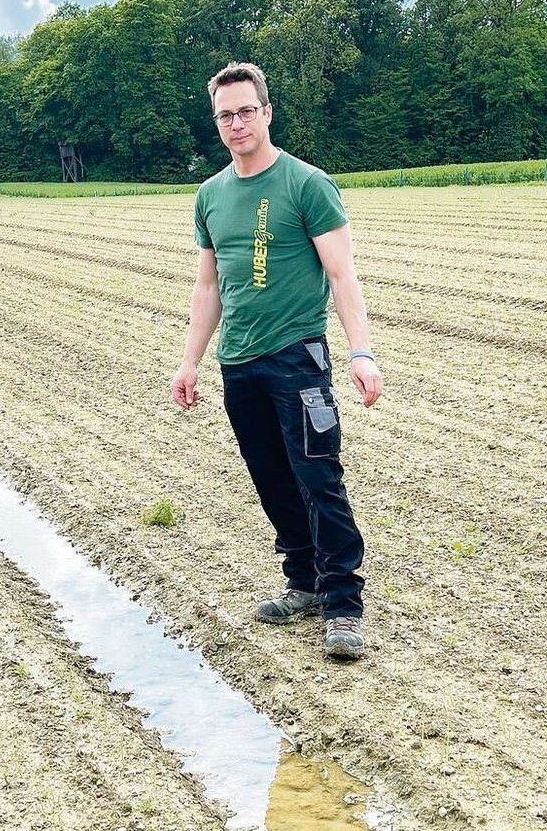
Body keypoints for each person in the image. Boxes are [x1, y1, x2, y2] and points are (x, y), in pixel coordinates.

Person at [170, 62, 383, 660]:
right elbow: (208, 287)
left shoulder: (306, 184)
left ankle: (343, 605)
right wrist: (190, 362)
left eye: (245, 110)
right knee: (271, 479)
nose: (236, 123)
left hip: (298, 360)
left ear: (266, 112)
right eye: (224, 115)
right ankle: (305, 582)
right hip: (238, 366)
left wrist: (359, 352)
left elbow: (342, 273)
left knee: (319, 477)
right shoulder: (210, 196)